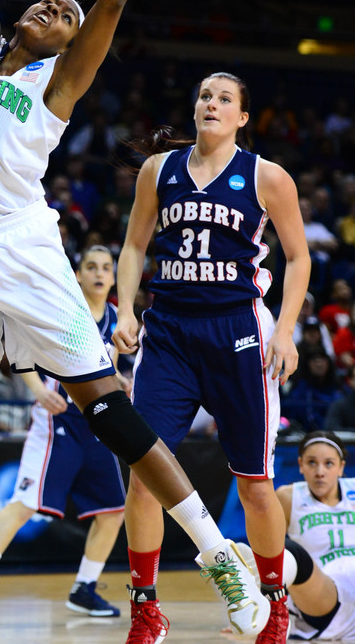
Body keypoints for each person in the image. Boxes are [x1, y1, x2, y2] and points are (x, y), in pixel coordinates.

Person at [0, 0, 268, 644]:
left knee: (111, 413)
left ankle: (220, 560)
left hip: (22, 248)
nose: (58, 7)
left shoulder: (58, 82)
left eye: (67, 16)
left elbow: (111, 1)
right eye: (49, 1)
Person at [113, 72, 312, 644]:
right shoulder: (159, 170)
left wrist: (287, 331)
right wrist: (125, 309)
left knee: (255, 482)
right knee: (144, 477)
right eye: (205, 95)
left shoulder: (266, 176)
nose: (212, 104)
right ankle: (146, 610)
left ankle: (276, 608)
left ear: (243, 118)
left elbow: (297, 259)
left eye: (226, 99)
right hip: (170, 333)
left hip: (238, 335)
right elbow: (132, 246)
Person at [0, 245, 126, 618]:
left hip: (98, 423)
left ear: (113, 276)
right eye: (91, 267)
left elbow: (107, 368)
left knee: (113, 511)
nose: (98, 273)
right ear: (77, 275)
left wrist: (118, 379)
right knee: (25, 504)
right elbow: (20, 347)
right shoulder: (63, 308)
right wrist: (39, 391)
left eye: (106, 268)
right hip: (58, 419)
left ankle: (84, 588)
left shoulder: (116, 316)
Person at [273, 430, 355, 640]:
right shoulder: (288, 496)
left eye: (329, 464)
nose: (320, 472)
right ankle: (268, 618)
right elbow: (270, 560)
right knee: (287, 551)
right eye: (312, 463)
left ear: (341, 467)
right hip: (324, 594)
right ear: (300, 465)